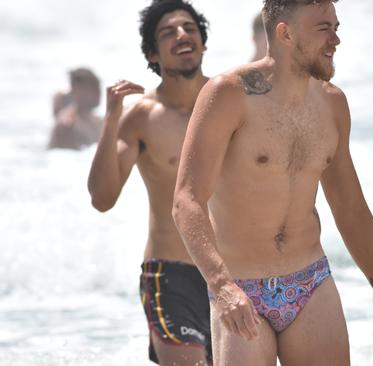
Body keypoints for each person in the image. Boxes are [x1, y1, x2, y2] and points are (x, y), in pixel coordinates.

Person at [172, 1, 373, 365]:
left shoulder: (332, 104)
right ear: (285, 33)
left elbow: (350, 209)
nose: (336, 39)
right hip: (241, 288)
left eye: (336, 26)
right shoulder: (228, 94)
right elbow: (187, 200)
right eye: (324, 29)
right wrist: (222, 286)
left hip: (310, 282)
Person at [87, 0, 213, 364]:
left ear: (203, 42)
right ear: (152, 54)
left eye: (189, 28)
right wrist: (111, 122)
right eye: (168, 32)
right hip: (170, 275)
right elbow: (102, 197)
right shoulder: (142, 117)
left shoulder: (230, 103)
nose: (181, 35)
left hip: (236, 270)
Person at [48, 68, 102, 150]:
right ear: (77, 90)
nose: (99, 92)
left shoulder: (98, 120)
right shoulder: (67, 124)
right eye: (94, 88)